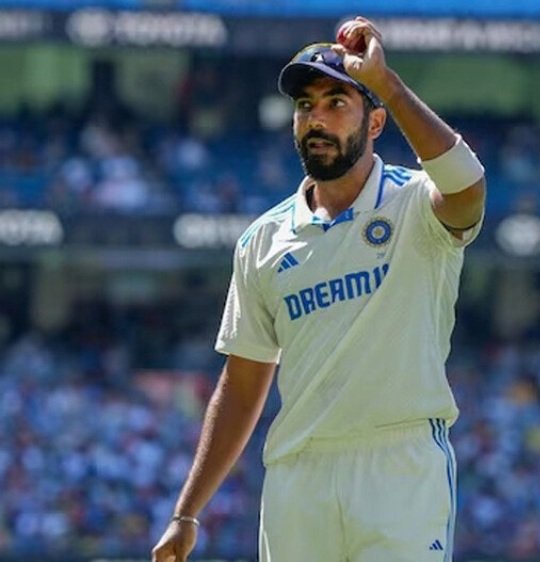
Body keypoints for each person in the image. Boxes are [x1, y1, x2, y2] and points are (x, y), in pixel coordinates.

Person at [152, 17, 486, 562]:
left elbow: (469, 189)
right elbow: (241, 386)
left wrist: (388, 82)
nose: (317, 120)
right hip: (297, 474)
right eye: (306, 106)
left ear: (375, 122)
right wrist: (186, 512)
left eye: (337, 103)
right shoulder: (263, 240)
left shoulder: (416, 204)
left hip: (398, 467)